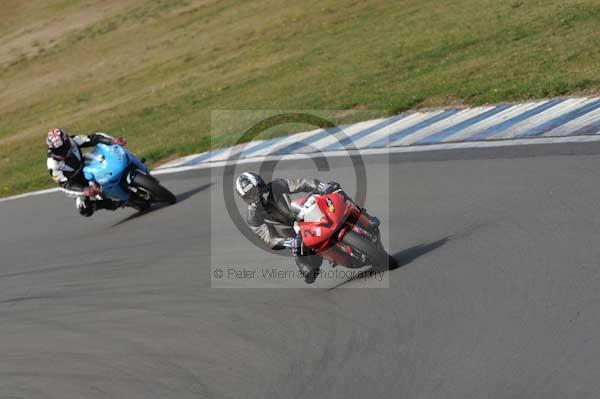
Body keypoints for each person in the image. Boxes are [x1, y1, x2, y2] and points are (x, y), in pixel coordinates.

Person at [235, 172, 379, 284]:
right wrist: (286, 242)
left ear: (260, 183)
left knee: (334, 190)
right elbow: (266, 237)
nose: (255, 197)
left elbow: (300, 184)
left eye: (256, 191)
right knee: (305, 265)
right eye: (250, 196)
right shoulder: (253, 216)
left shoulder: (276, 185)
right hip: (291, 232)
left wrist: (321, 187)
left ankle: (366, 217)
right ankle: (310, 268)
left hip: (301, 210)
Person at [46, 128, 127, 217]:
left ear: (67, 140)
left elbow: (93, 138)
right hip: (77, 183)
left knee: (108, 159)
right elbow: (65, 185)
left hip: (87, 166)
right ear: (52, 149)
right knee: (84, 209)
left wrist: (112, 140)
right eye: (58, 150)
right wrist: (84, 190)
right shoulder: (53, 166)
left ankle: (126, 169)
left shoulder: (73, 140)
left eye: (64, 146)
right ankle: (108, 204)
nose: (63, 150)